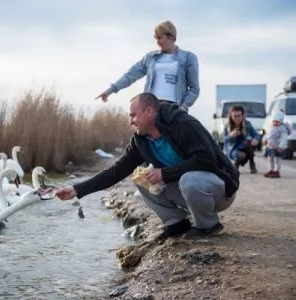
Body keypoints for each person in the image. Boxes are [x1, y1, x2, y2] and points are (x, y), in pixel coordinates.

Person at [55, 93, 239, 240]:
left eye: (134, 115)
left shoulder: (182, 124)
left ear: (149, 111)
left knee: (188, 179)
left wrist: (164, 174)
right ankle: (175, 223)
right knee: (142, 177)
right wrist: (77, 190)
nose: (131, 121)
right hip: (190, 190)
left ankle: (207, 226)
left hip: (219, 191)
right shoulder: (140, 141)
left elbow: (206, 160)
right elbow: (115, 172)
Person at [95, 20, 199, 111]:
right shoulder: (150, 57)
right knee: (146, 134)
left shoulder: (189, 58)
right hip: (151, 108)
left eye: (160, 38)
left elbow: (194, 89)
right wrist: (110, 90)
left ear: (171, 37)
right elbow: (130, 76)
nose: (157, 42)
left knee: (171, 134)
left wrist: (183, 107)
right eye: (156, 38)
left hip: (174, 109)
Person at [223, 105, 261, 173]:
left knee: (249, 142)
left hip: (246, 147)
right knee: (241, 156)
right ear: (231, 116)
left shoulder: (247, 124)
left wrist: (255, 140)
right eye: (235, 116)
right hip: (233, 149)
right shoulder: (227, 126)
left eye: (239, 116)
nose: (237, 118)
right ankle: (236, 165)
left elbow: (256, 135)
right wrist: (230, 135)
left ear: (243, 115)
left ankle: (252, 163)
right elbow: (224, 140)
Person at [263, 111, 288, 178]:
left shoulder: (283, 128)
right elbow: (268, 135)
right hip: (270, 146)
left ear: (281, 121)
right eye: (274, 121)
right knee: (270, 159)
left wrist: (281, 146)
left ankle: (277, 171)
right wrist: (265, 140)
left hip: (278, 147)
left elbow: (284, 138)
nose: (275, 123)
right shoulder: (271, 127)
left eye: (277, 122)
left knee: (277, 160)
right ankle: (271, 170)